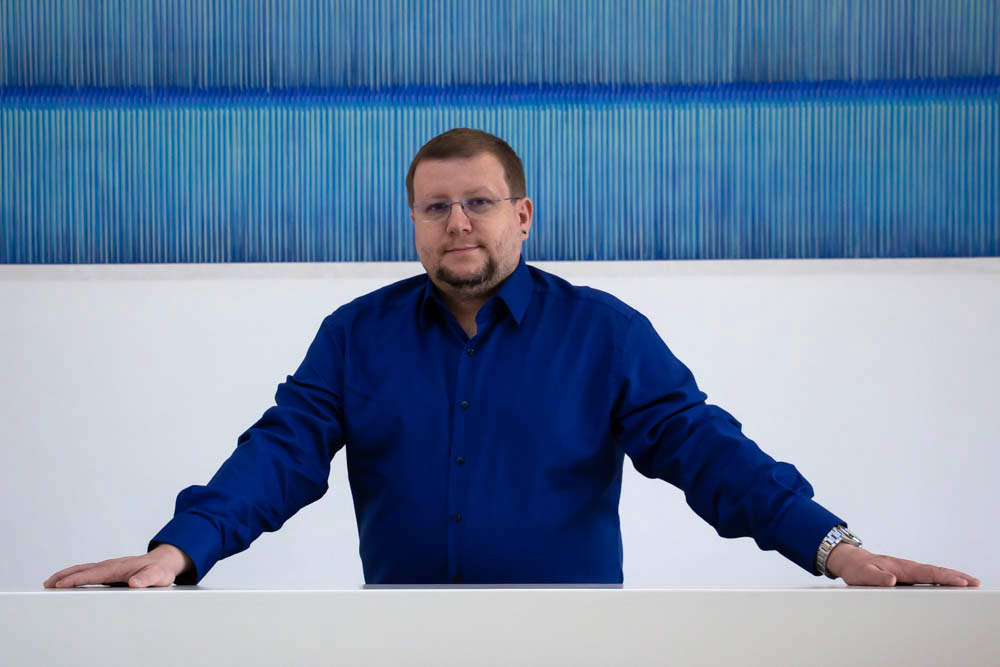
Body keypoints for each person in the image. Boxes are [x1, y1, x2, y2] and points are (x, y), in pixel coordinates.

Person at [45, 128, 979, 590]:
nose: (457, 222)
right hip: (401, 649)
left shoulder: (603, 332)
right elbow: (280, 452)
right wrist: (180, 550)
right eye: (435, 206)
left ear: (522, 216)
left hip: (570, 650)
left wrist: (834, 548)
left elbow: (710, 453)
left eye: (479, 203)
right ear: (414, 222)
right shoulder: (356, 334)